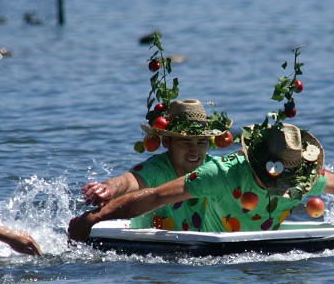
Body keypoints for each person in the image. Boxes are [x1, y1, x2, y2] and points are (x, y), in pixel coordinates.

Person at [69, 122, 334, 241]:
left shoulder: (302, 177)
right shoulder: (221, 172)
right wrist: (96, 219)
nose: (289, 183)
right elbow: (154, 195)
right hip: (197, 240)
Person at [82, 99, 232, 231]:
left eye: (201, 142)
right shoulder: (155, 169)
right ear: (167, 142)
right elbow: (128, 181)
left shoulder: (215, 168)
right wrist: (109, 188)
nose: (195, 151)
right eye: (185, 143)